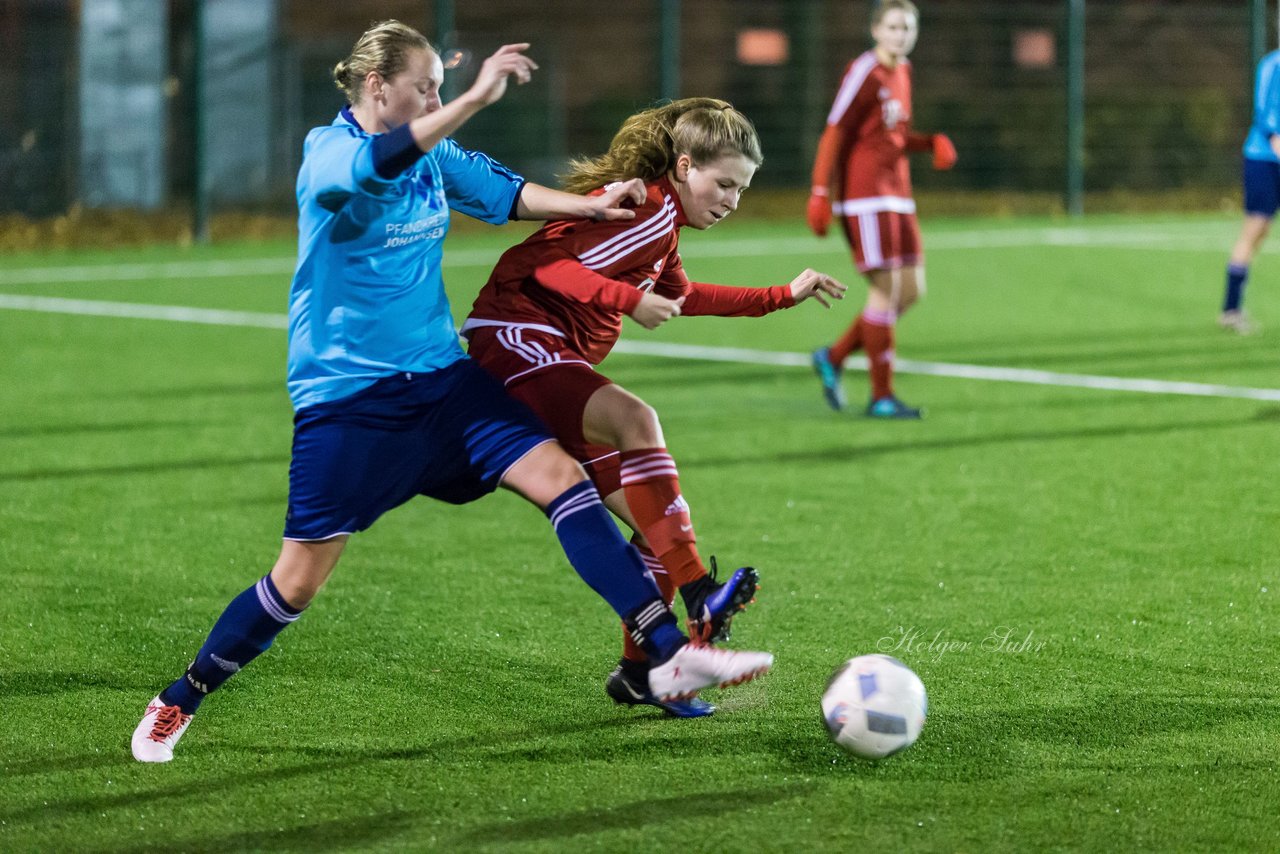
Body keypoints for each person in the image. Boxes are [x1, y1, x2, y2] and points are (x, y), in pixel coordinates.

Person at [130, 22, 772, 763]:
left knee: (565, 480)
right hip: (351, 404)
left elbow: (505, 191)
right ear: (379, 87)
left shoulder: (435, 154)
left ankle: (666, 651)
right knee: (295, 585)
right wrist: (468, 99)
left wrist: (591, 208)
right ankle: (183, 696)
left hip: (443, 381)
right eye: (424, 86)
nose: (434, 98)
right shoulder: (328, 153)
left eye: (440, 86)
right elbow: (373, 165)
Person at [463, 98, 846, 717]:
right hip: (513, 336)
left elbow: (684, 296)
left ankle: (639, 674)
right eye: (723, 184)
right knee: (638, 421)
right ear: (685, 165)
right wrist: (626, 300)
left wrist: (782, 294)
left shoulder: (663, 226)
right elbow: (553, 269)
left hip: (551, 355)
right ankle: (700, 596)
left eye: (742, 190)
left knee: (657, 520)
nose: (730, 201)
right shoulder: (647, 210)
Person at [806, 0, 955, 419]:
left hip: (899, 195)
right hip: (866, 197)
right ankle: (881, 397)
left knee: (910, 291)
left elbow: (891, 137)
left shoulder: (902, 71)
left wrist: (930, 144)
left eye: (907, 27)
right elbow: (835, 130)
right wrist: (820, 191)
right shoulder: (865, 71)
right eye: (892, 26)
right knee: (884, 292)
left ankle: (832, 357)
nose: (900, 34)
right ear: (876, 30)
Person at [1219, 48, 1280, 335]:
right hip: (1263, 159)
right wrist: (1275, 140)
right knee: (1255, 229)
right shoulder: (1272, 64)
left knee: (1262, 231)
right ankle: (1231, 309)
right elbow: (1267, 116)